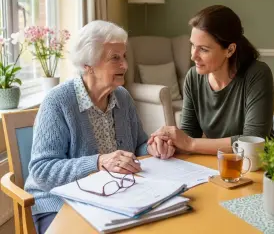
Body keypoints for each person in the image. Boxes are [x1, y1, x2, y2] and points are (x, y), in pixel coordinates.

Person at [24, 21, 174, 234]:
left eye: (124, 56)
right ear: (88, 64)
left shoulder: (122, 97)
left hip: (113, 196)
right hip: (60, 202)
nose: (124, 65)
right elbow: (42, 170)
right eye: (115, 58)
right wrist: (98, 162)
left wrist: (152, 146)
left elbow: (138, 143)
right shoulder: (58, 102)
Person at [148, 5, 274, 155]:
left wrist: (190, 143)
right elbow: (189, 134)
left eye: (203, 49)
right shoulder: (193, 77)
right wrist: (165, 143)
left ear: (230, 50)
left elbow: (253, 140)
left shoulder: (257, 74)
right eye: (192, 46)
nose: (193, 56)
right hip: (215, 164)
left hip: (256, 166)